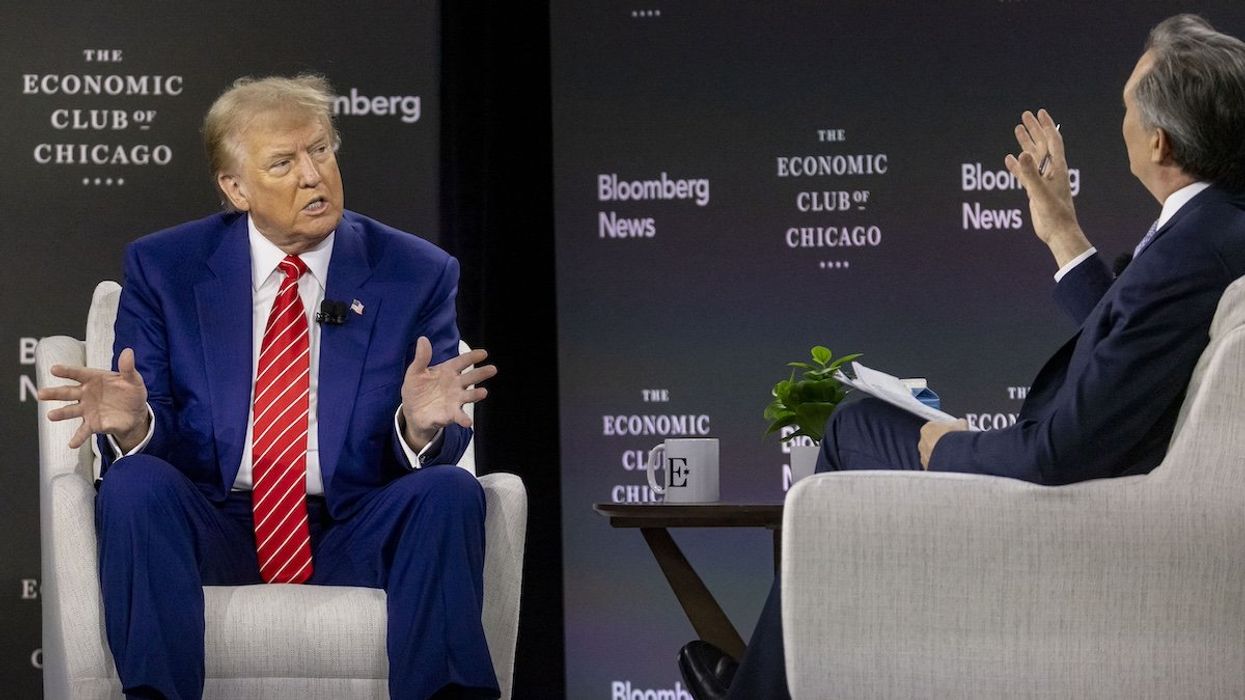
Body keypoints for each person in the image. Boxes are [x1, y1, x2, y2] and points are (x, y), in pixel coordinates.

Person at [678, 14, 1245, 700]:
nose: (1117, 119)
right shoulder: (1214, 226)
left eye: (1125, 107)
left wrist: (942, 447)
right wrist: (1062, 232)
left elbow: (1060, 452)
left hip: (1075, 499)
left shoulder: (1190, 250)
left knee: (855, 427)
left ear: (1157, 139)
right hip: (1107, 485)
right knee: (867, 429)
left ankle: (768, 690)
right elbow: (1128, 346)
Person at [38, 75, 500, 700]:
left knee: (448, 492)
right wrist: (137, 425)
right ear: (235, 188)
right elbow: (156, 425)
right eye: (283, 163)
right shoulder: (166, 267)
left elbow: (438, 443)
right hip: (217, 520)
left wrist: (420, 428)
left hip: (353, 522)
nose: (312, 176)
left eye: (320, 151)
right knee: (134, 483)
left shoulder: (414, 271)